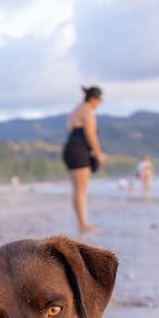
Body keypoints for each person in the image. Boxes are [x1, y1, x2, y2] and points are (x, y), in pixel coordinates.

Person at [62, 86, 106, 234]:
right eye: (100, 101)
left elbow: (69, 130)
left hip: (70, 147)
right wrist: (99, 154)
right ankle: (84, 224)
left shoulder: (77, 109)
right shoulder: (88, 111)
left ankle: (81, 222)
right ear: (94, 99)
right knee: (81, 190)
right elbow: (91, 135)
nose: (99, 104)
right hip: (80, 150)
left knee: (77, 190)